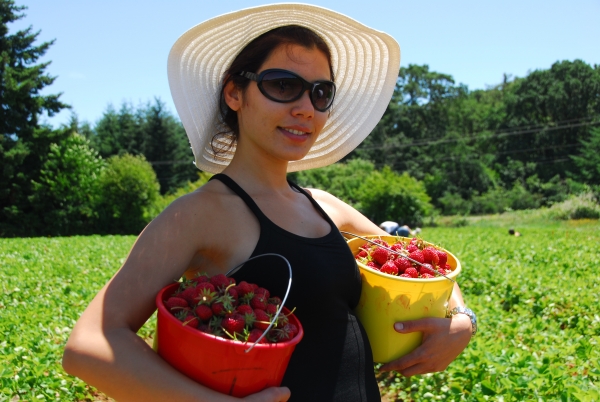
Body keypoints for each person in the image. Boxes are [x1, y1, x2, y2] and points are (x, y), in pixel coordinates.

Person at [62, 4, 475, 401]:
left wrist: (461, 319)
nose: (305, 108)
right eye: (282, 85)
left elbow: (425, 266)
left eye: (320, 93)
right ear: (235, 94)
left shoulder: (328, 207)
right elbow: (90, 344)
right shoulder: (199, 215)